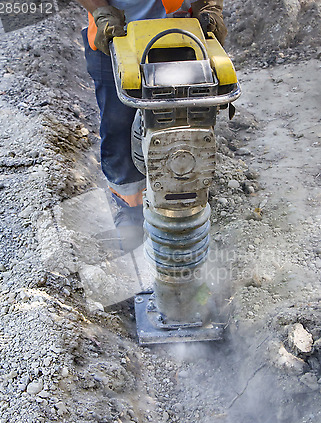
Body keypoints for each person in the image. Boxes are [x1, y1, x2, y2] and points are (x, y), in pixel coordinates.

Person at [77, 0, 227, 249]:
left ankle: (188, 204)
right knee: (117, 126)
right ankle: (130, 207)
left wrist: (210, 6)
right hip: (118, 31)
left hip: (185, 31)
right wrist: (100, 11)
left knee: (191, 122)